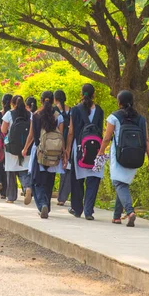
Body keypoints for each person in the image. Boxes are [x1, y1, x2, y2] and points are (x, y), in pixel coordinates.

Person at [98, 90, 149, 227]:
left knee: (119, 183)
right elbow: (146, 140)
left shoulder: (114, 117)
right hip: (136, 156)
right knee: (123, 184)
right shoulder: (141, 119)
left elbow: (107, 138)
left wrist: (101, 152)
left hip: (119, 155)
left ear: (119, 102)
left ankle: (130, 211)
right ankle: (116, 217)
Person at [65, 84, 105, 220]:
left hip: (79, 148)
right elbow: (101, 131)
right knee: (93, 180)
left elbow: (71, 132)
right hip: (96, 150)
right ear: (93, 95)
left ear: (82, 94)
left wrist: (68, 148)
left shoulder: (75, 109)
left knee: (77, 180)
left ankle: (77, 209)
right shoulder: (99, 110)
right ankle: (88, 211)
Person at [23, 91, 65, 219]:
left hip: (39, 152)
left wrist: (25, 148)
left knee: (37, 181)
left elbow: (31, 135)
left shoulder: (35, 115)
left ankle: (42, 205)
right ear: (53, 101)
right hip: (54, 153)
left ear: (41, 101)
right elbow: (61, 137)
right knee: (49, 181)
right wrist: (63, 152)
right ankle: (47, 205)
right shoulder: (59, 116)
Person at [2, 95, 33, 204]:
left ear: (12, 103)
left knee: (11, 171)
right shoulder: (29, 114)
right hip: (26, 147)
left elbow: (3, 130)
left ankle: (11, 197)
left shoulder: (9, 114)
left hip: (12, 147)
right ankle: (27, 187)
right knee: (24, 170)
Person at [54, 90, 71, 206]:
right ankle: (62, 197)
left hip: (54, 141)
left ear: (55, 99)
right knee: (66, 169)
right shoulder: (70, 109)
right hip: (68, 139)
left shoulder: (53, 111)